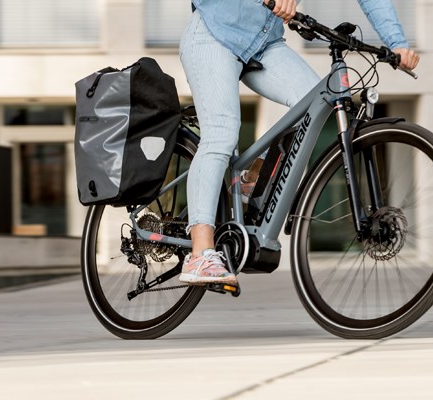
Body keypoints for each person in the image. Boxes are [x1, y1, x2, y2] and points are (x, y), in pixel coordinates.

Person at [178, 0, 420, 286]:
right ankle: (200, 253)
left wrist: (397, 43)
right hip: (213, 35)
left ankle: (253, 178)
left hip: (263, 44)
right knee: (222, 131)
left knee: (315, 100)